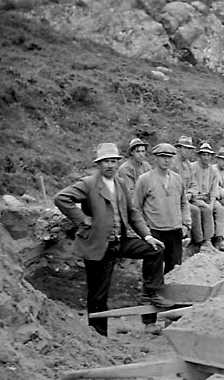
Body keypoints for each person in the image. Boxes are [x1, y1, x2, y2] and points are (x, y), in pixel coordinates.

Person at [53, 142, 171, 337]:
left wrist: (148, 236)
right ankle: (99, 336)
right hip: (98, 244)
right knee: (98, 294)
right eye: (106, 161)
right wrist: (82, 219)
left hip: (119, 241)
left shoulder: (121, 183)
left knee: (155, 250)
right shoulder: (88, 183)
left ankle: (150, 291)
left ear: (118, 163)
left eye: (113, 161)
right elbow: (61, 198)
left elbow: (133, 213)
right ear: (99, 164)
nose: (110, 165)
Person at [133, 143, 191, 276]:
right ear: (155, 158)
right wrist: (144, 231)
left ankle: (169, 294)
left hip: (175, 230)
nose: (166, 160)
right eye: (163, 156)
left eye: (169, 157)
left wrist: (186, 225)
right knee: (153, 266)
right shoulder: (145, 180)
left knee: (174, 267)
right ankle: (150, 293)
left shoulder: (177, 179)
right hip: (155, 230)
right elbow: (135, 208)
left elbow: (184, 203)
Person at [191, 142, 224, 251]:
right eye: (204, 154)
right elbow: (190, 185)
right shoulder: (192, 167)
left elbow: (214, 189)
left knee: (220, 209)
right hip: (196, 197)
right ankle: (206, 241)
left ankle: (219, 239)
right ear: (199, 156)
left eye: (208, 155)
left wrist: (212, 202)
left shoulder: (213, 171)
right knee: (206, 209)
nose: (206, 157)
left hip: (208, 197)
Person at [170, 135, 203, 249]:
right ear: (179, 148)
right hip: (175, 198)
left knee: (206, 208)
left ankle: (206, 240)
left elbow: (194, 184)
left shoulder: (189, 164)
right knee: (194, 211)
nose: (188, 151)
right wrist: (184, 195)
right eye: (185, 148)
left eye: (190, 149)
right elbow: (171, 184)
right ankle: (196, 242)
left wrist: (191, 193)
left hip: (188, 197)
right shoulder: (172, 162)